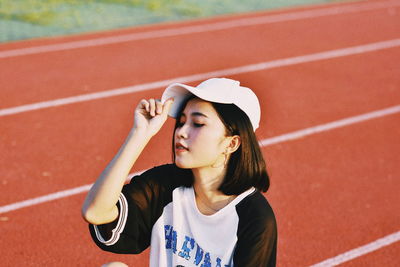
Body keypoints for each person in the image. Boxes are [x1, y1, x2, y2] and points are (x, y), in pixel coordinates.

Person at [82, 78, 277, 267]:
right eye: (181, 122)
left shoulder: (254, 217)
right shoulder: (165, 185)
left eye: (198, 124)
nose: (181, 132)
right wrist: (139, 134)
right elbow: (95, 212)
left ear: (232, 143)